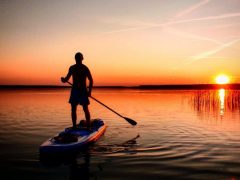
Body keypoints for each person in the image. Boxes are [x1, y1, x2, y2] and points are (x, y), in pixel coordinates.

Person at [61, 52, 93, 130]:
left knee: (85, 108)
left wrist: (89, 92)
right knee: (73, 108)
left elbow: (91, 80)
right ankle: (74, 126)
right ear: (75, 59)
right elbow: (66, 79)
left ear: (82, 58)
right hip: (75, 91)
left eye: (79, 57)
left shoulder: (85, 68)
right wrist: (63, 80)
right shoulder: (72, 68)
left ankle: (88, 127)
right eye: (77, 57)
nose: (78, 59)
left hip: (83, 91)